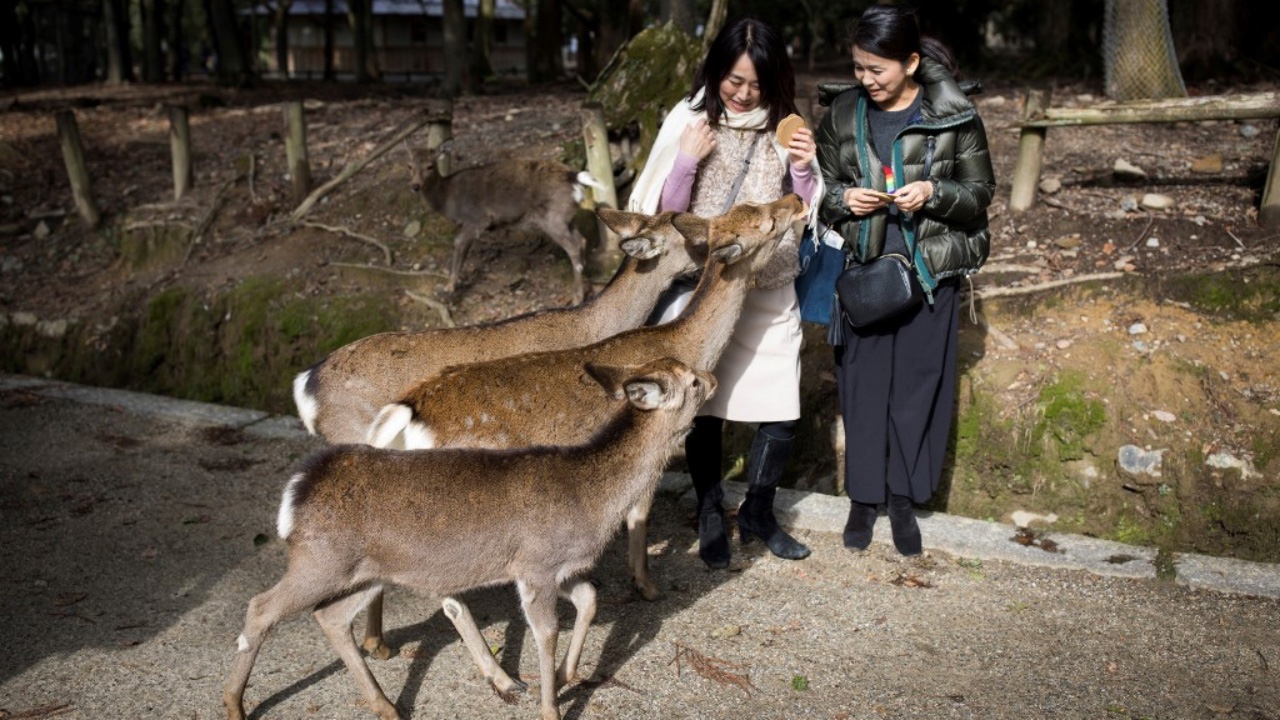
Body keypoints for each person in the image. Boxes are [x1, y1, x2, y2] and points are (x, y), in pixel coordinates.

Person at [628, 17, 824, 568]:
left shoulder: (787, 126)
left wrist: (806, 168)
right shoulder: (689, 117)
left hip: (767, 282)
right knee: (705, 404)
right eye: (733, 81)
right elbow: (667, 212)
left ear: (774, 80)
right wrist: (688, 158)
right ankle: (711, 506)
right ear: (717, 72)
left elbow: (806, 208)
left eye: (754, 85)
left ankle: (759, 509)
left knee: (782, 407)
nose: (741, 94)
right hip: (707, 286)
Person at [814, 5, 995, 556]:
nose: (866, 80)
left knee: (916, 393)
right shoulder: (843, 113)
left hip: (928, 275)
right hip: (865, 277)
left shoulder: (954, 115)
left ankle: (901, 499)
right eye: (859, 68)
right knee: (863, 392)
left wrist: (934, 194)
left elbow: (981, 195)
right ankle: (863, 499)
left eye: (877, 69)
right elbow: (817, 191)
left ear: (911, 62)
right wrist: (845, 199)